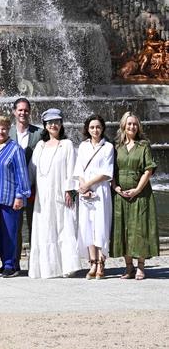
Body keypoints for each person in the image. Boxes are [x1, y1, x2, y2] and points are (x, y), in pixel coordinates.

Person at [28, 108, 80, 279]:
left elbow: (72, 169)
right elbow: (31, 171)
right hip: (42, 197)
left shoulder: (66, 145)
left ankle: (66, 267)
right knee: (44, 229)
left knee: (63, 228)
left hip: (60, 194)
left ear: (61, 124)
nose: (53, 125)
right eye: (50, 122)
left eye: (57, 122)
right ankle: (46, 268)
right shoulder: (40, 147)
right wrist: (25, 189)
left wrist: (70, 190)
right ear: (45, 125)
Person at [111, 112, 159, 280]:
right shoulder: (116, 146)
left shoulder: (143, 145)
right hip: (121, 194)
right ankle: (128, 267)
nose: (132, 127)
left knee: (140, 229)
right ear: (123, 125)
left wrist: (138, 189)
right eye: (129, 123)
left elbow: (149, 170)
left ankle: (140, 267)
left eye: (135, 124)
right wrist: (115, 186)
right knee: (123, 228)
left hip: (141, 194)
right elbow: (111, 170)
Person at [73, 114, 114, 280]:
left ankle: (101, 262)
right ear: (87, 129)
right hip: (85, 192)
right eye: (92, 127)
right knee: (87, 226)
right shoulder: (83, 146)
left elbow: (106, 172)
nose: (95, 130)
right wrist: (83, 187)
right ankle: (92, 263)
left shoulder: (108, 147)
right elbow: (78, 169)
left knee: (101, 226)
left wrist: (88, 184)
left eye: (98, 127)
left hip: (101, 191)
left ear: (102, 128)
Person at [0, 115, 30, 278]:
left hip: (11, 197)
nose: (1, 131)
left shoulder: (15, 149)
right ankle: (4, 261)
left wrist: (20, 196)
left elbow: (22, 174)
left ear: (9, 130)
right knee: (0, 232)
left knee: (11, 232)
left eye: (4, 128)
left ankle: (12, 265)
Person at [9, 97, 42, 271]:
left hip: (34, 187)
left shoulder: (39, 133)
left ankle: (35, 264)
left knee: (34, 226)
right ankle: (14, 263)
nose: (23, 113)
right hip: (13, 188)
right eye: (20, 110)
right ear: (14, 112)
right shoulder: (8, 133)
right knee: (15, 228)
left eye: (26, 110)